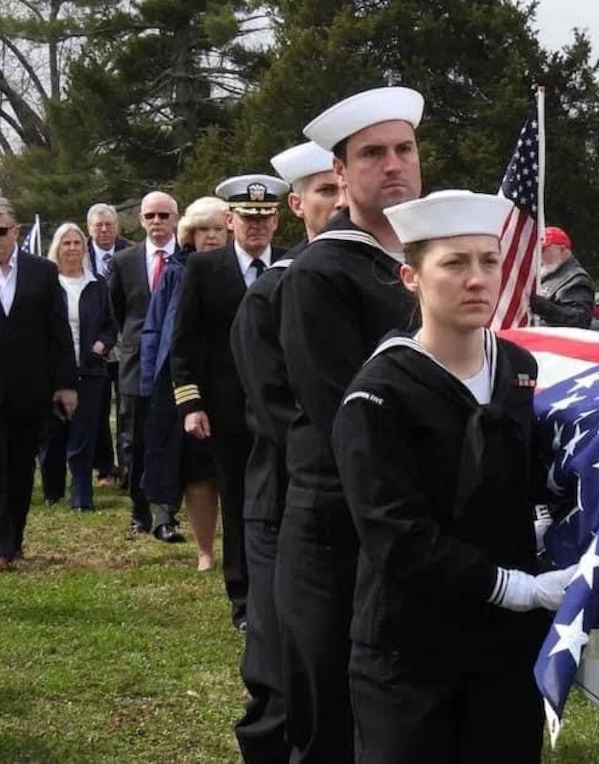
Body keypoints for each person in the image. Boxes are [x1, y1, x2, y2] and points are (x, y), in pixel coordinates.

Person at [333, 189, 571, 763]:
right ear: (411, 276)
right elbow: (395, 536)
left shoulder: (517, 368)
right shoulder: (379, 393)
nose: (477, 279)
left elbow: (529, 479)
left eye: (488, 261)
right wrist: (514, 587)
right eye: (454, 263)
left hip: (503, 649)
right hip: (411, 648)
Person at [276, 85, 424, 763]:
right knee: (333, 719)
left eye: (404, 149)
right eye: (372, 154)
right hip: (339, 528)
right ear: (339, 173)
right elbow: (345, 414)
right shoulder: (320, 272)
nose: (393, 165)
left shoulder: (439, 259)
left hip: (415, 523)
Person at [229, 139, 342, 764]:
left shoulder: (389, 277)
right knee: (280, 677)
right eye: (324, 191)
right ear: (298, 205)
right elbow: (276, 415)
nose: (338, 201)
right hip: (284, 503)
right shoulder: (273, 292)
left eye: (340, 187)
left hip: (350, 506)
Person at [171, 173, 291, 631]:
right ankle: (243, 600)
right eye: (247, 217)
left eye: (264, 218)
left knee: (282, 501)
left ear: (276, 222)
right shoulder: (204, 268)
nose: (256, 227)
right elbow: (183, 343)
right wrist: (190, 404)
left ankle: (280, 592)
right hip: (226, 411)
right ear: (229, 219)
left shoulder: (291, 265)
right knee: (240, 505)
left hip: (282, 410)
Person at [0, 198, 77, 570]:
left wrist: (66, 384)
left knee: (19, 467)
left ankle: (14, 539)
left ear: (16, 232)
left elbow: (58, 331)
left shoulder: (41, 272)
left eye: (0, 230)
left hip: (30, 387)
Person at [141, 197, 231, 565]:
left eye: (217, 229)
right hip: (189, 383)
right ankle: (206, 550)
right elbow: (155, 328)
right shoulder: (177, 271)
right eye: (202, 230)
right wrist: (149, 383)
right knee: (199, 473)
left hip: (235, 381)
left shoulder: (242, 270)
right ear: (189, 235)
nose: (210, 237)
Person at [108, 191, 181, 539]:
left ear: (176, 219)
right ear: (140, 220)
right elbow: (118, 311)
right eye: (150, 216)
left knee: (173, 436)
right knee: (134, 438)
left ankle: (167, 512)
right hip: (137, 362)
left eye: (164, 216)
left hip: (178, 361)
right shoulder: (124, 262)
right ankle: (139, 510)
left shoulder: (188, 258)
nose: (157, 222)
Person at [37, 222, 117, 513]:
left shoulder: (96, 285)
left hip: (90, 370)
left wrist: (101, 345)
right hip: (52, 372)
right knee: (52, 435)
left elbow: (110, 324)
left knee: (83, 435)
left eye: (77, 243)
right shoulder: (45, 283)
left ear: (85, 248)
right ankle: (52, 490)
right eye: (66, 243)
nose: (72, 248)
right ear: (57, 247)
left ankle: (82, 497)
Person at [86, 202, 131, 487]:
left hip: (126, 339)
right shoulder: (79, 253)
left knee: (128, 406)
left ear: (117, 226)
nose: (104, 230)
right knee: (98, 406)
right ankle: (105, 468)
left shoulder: (131, 252)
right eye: (98, 225)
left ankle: (129, 467)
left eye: (109, 224)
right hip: (95, 342)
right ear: (89, 228)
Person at [529, 226, 595, 328]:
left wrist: (546, 308)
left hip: (559, 341)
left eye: (543, 250)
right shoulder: (546, 275)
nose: (539, 255)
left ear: (562, 250)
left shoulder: (576, 279)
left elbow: (580, 319)